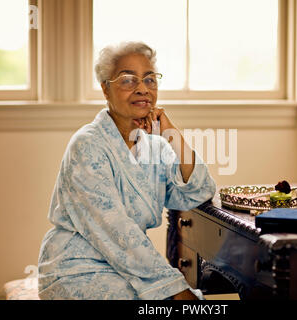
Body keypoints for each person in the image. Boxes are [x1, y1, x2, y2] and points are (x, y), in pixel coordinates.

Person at [37, 41, 217, 300]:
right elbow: (116, 230)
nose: (142, 89)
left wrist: (171, 134)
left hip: (128, 270)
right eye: (128, 80)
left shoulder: (153, 147)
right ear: (105, 89)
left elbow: (198, 191)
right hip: (76, 269)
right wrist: (175, 286)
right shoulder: (87, 144)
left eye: (150, 80)